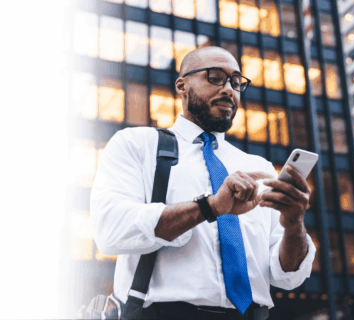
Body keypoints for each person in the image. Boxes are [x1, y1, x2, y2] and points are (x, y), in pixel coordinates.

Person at [91, 46, 316, 320]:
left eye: (236, 82)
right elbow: (110, 229)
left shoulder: (259, 168)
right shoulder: (137, 145)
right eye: (215, 76)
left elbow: (286, 275)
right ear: (182, 86)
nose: (229, 89)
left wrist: (294, 223)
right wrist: (209, 207)